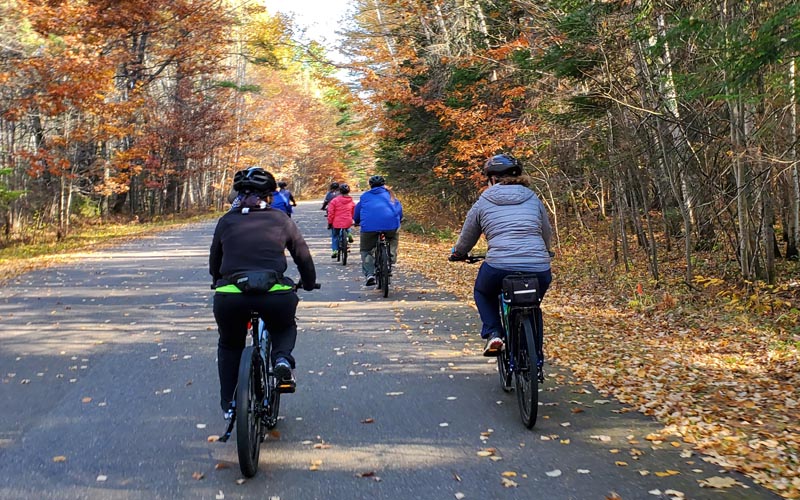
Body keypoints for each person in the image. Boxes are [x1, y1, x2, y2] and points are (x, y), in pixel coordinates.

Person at [210, 167, 316, 420]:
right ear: (269, 196)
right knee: (283, 327)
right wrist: (309, 283)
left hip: (231, 295)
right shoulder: (281, 220)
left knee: (229, 344)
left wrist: (217, 281)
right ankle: (281, 360)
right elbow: (303, 256)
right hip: (275, 295)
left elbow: (215, 261)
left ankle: (230, 404)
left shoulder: (226, 221)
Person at [448, 154, 553, 369]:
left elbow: (468, 235)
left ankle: (494, 333)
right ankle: (535, 359)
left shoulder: (484, 201)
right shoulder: (533, 198)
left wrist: (459, 253)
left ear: (493, 179)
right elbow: (546, 230)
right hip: (539, 267)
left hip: (499, 266)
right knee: (532, 304)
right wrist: (546, 251)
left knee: (483, 292)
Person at [354, 175, 403, 286]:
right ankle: (390, 258)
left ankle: (370, 274)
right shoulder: (391, 195)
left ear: (370, 185)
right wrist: (399, 220)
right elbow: (399, 211)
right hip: (391, 225)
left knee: (366, 249)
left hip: (369, 228)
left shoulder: (365, 196)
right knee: (393, 237)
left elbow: (357, 212)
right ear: (383, 184)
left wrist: (357, 221)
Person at [326, 183, 355, 259]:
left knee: (335, 235)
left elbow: (331, 213)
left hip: (336, 222)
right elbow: (353, 212)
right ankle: (348, 234)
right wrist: (352, 219)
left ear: (340, 191)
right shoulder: (351, 201)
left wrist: (329, 223)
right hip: (348, 220)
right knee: (347, 227)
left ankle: (335, 250)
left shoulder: (334, 201)